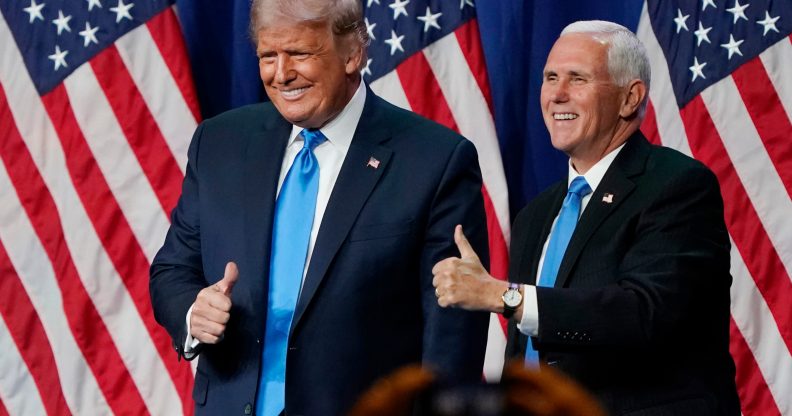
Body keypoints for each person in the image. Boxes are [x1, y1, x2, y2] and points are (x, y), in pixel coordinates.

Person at [149, 0, 490, 415]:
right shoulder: (219, 143)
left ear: (353, 54)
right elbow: (172, 269)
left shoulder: (433, 160)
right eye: (268, 56)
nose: (281, 74)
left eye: (299, 54)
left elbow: (451, 336)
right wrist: (192, 313)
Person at [432, 20, 740, 415]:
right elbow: (527, 349)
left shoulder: (677, 186)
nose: (557, 94)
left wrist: (501, 295)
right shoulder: (536, 216)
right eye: (550, 77)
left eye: (577, 79)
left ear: (631, 98)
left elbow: (644, 313)